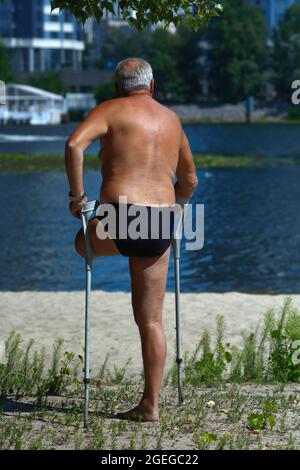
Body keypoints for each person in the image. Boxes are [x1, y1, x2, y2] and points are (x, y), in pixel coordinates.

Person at [65, 58, 198, 422]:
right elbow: (190, 182)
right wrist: (176, 207)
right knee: (151, 319)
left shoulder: (109, 110)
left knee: (82, 243)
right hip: (159, 224)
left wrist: (77, 200)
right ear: (152, 87)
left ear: (116, 88)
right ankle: (150, 406)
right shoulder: (172, 120)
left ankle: (147, 405)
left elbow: (75, 145)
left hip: (120, 220)